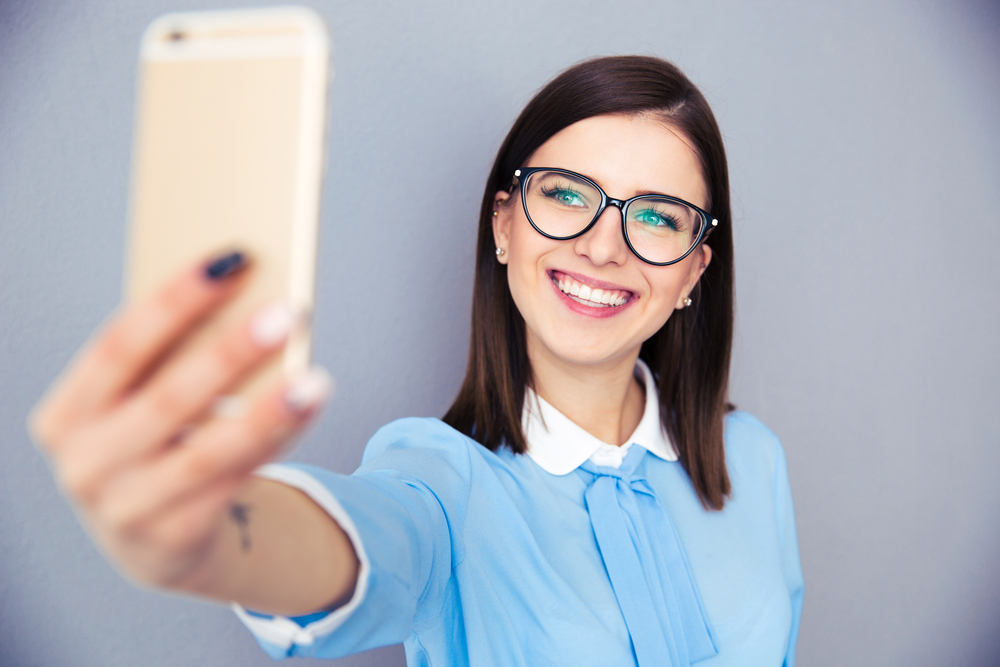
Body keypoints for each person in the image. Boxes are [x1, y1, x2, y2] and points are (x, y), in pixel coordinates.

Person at [29, 56, 804, 666]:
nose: (603, 246)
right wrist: (209, 537)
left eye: (658, 216)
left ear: (694, 271)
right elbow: (359, 540)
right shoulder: (439, 480)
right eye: (567, 195)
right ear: (504, 226)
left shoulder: (755, 460)